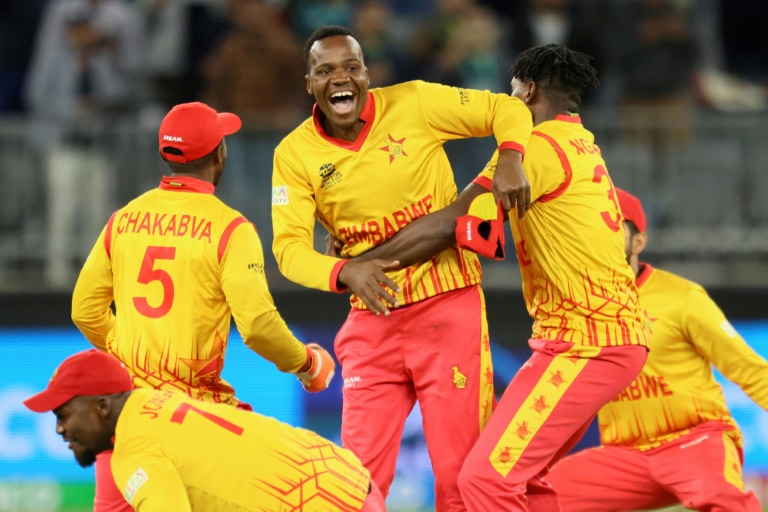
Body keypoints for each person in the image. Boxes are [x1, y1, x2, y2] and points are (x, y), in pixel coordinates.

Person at [271, 25, 533, 510]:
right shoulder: (293, 154)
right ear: (309, 84)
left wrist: (511, 159)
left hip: (447, 307)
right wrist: (345, 272)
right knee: (354, 483)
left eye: (351, 67)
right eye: (325, 71)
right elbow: (287, 250)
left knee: (458, 474)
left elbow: (508, 108)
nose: (340, 79)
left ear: (367, 74)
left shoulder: (414, 102)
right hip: (372, 319)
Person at [72, 101, 335, 510]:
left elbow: (84, 310)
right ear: (219, 155)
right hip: (193, 420)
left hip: (128, 416)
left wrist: (128, 352)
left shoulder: (123, 219)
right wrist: (307, 364)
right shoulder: (230, 228)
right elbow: (258, 326)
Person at [545, 188, 765, 512]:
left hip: (694, 440)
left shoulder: (683, 297)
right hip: (623, 457)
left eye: (611, 225)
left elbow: (751, 370)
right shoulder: (576, 305)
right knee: (525, 497)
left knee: (725, 500)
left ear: (638, 243)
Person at [23, 349, 385, 511]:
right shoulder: (157, 399)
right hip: (347, 477)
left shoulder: (134, 449)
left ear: (102, 407)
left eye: (63, 415)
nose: (59, 429)